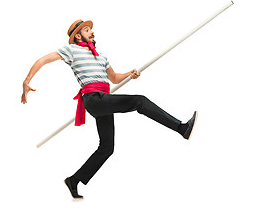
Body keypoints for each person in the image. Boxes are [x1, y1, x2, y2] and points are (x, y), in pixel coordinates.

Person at [21, 19, 197, 199]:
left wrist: (130, 74)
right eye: (87, 30)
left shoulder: (101, 56)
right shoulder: (72, 50)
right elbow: (42, 60)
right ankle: (181, 128)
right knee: (140, 101)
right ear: (78, 35)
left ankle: (74, 180)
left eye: (91, 29)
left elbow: (113, 78)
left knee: (107, 147)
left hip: (104, 99)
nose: (92, 32)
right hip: (94, 99)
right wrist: (27, 81)